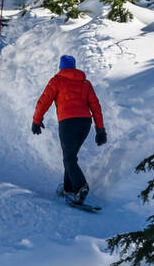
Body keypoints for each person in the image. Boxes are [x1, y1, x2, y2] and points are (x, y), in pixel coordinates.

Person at [32, 55, 106, 204]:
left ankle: (80, 187)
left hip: (68, 123)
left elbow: (44, 101)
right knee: (70, 156)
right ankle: (68, 188)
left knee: (69, 157)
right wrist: (100, 129)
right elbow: (96, 107)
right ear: (73, 67)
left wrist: (36, 120)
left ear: (61, 67)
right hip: (85, 124)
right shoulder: (85, 83)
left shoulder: (57, 80)